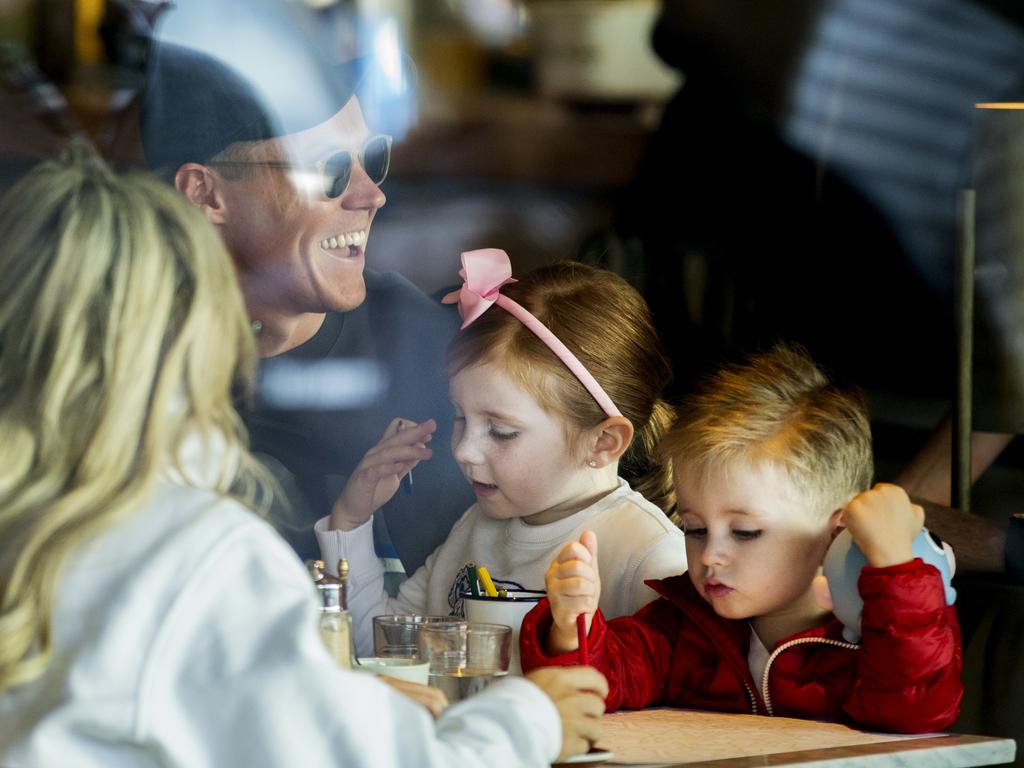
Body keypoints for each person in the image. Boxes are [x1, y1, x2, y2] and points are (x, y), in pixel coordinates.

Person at [0, 148, 609, 766]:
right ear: (184, 338)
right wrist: (531, 719)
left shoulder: (32, 521)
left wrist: (340, 693)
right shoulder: (195, 555)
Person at [139, 34, 474, 573]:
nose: (370, 195)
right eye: (327, 169)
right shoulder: (131, 369)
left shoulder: (431, 350)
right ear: (205, 194)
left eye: (374, 157)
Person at [521, 344, 964, 733]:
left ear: (838, 530)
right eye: (695, 528)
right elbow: (592, 689)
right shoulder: (683, 629)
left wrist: (892, 563)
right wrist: (569, 627)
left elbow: (915, 711)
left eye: (746, 532)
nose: (711, 555)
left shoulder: (875, 639)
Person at [316, 248, 688, 655]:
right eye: (459, 417)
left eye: (501, 431)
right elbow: (388, 650)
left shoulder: (649, 558)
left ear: (603, 442)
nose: (463, 451)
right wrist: (350, 521)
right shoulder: (474, 530)